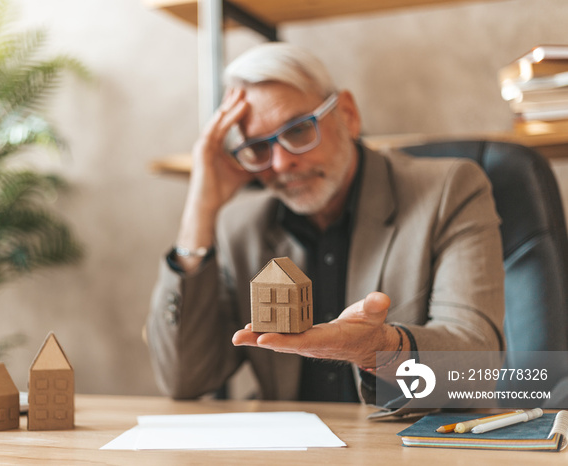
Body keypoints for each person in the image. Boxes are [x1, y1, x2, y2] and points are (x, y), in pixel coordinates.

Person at [146, 42, 504, 407]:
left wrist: (381, 350)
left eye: (299, 130)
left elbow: (478, 369)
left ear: (347, 114)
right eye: (258, 147)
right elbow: (183, 378)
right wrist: (199, 210)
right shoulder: (241, 227)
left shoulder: (449, 190)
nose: (281, 163)